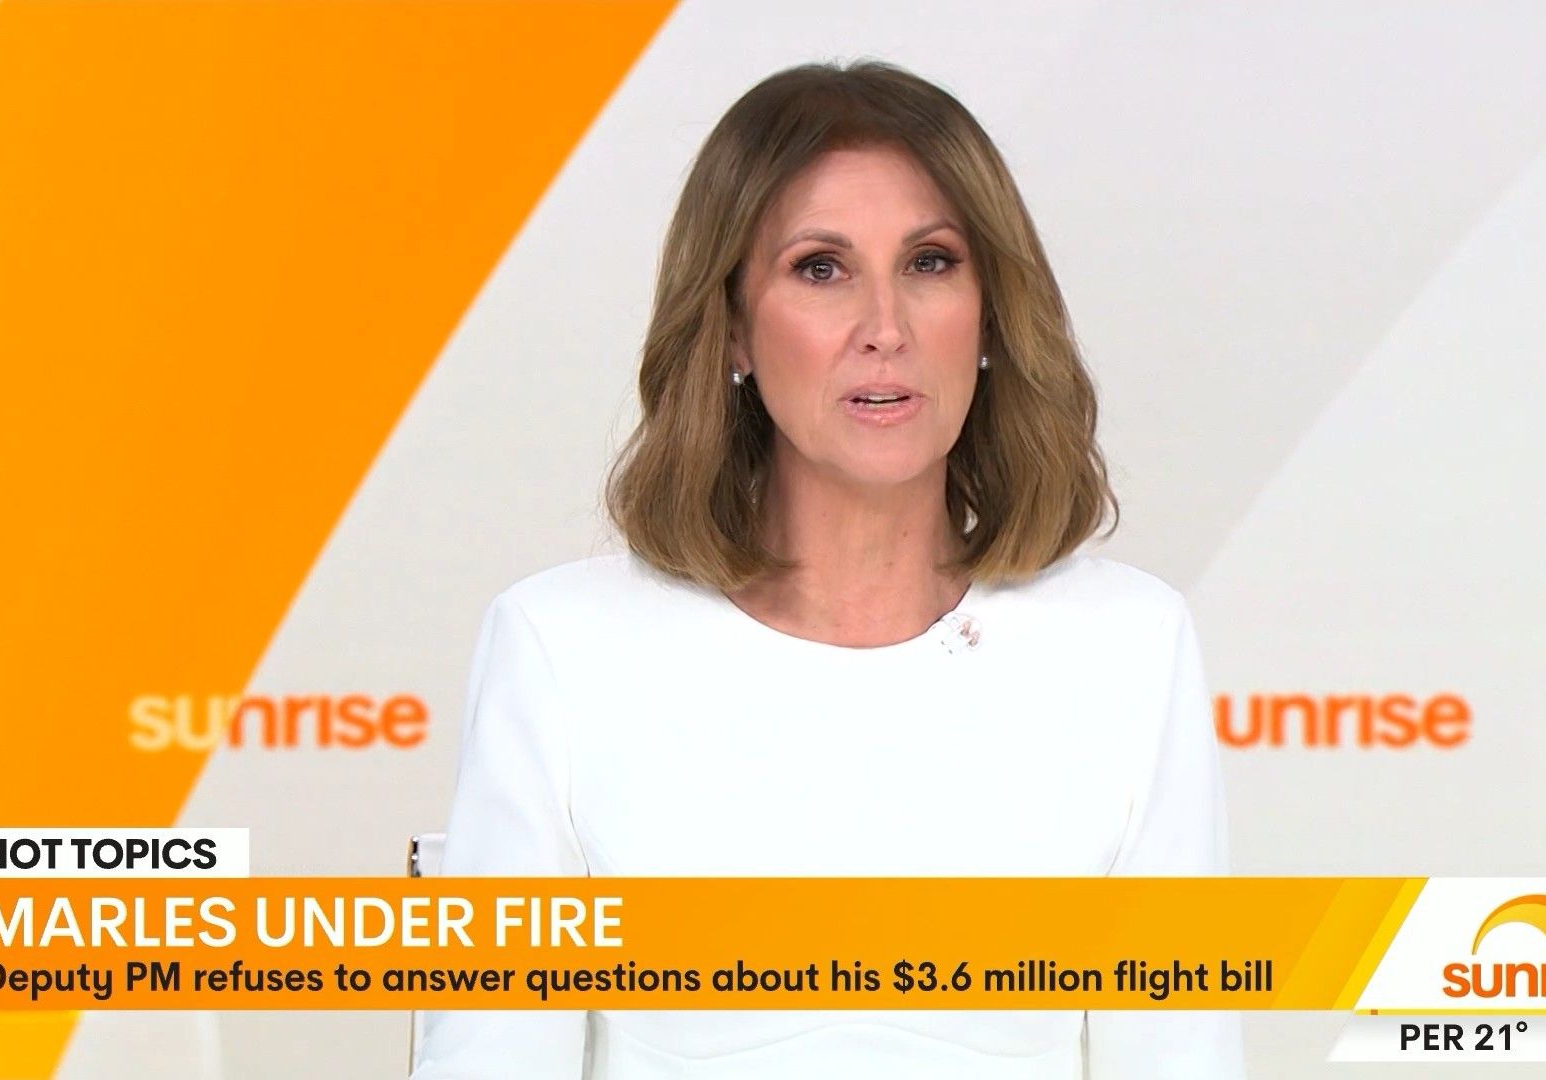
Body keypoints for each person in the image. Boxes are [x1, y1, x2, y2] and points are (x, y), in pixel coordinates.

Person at [412, 59, 1243, 1079]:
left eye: (930, 262)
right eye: (820, 269)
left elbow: (1178, 1054)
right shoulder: (559, 648)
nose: (885, 329)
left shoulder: (1130, 644)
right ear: (731, 328)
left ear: (989, 313)